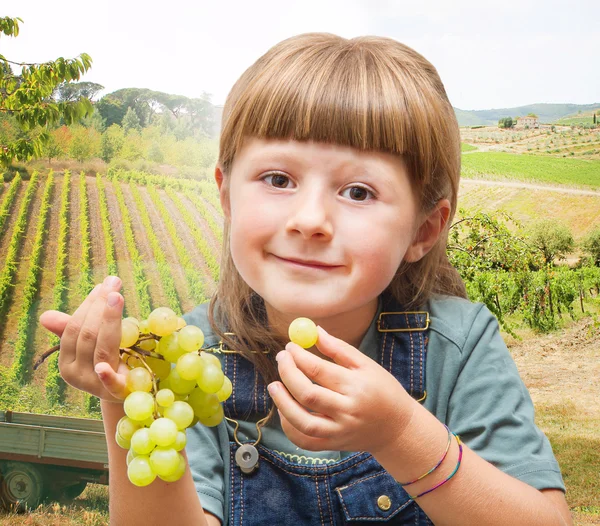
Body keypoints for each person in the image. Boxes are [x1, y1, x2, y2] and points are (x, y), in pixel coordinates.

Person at [40, 33, 572, 526]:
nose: (310, 220)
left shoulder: (458, 346)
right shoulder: (189, 358)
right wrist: (124, 397)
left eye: (358, 192)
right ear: (226, 196)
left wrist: (402, 432)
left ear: (424, 228)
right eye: (278, 179)